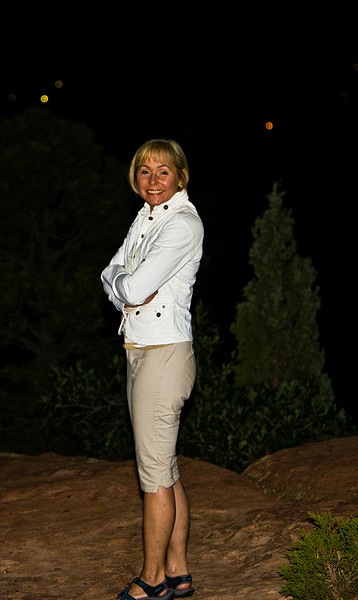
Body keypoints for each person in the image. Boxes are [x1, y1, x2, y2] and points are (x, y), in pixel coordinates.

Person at [101, 139, 204, 600]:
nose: (153, 180)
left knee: (154, 477)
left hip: (164, 355)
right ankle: (178, 570)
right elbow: (111, 274)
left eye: (164, 171)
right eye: (145, 171)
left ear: (180, 175)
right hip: (140, 349)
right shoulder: (147, 216)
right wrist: (120, 282)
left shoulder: (181, 224)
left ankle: (153, 579)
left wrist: (121, 283)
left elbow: (132, 287)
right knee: (165, 468)